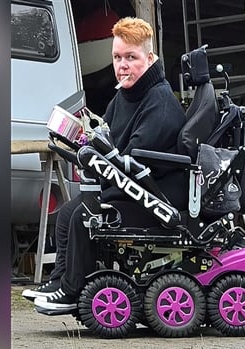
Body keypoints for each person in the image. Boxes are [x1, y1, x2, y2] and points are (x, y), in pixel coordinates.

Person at [23, 17, 187, 313]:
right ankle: (61, 280)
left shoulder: (161, 104)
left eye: (130, 57)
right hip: (130, 185)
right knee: (66, 214)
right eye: (117, 57)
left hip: (155, 195)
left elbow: (133, 162)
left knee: (82, 217)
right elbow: (110, 140)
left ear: (149, 58)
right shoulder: (123, 96)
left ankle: (73, 291)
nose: (122, 65)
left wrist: (99, 156)